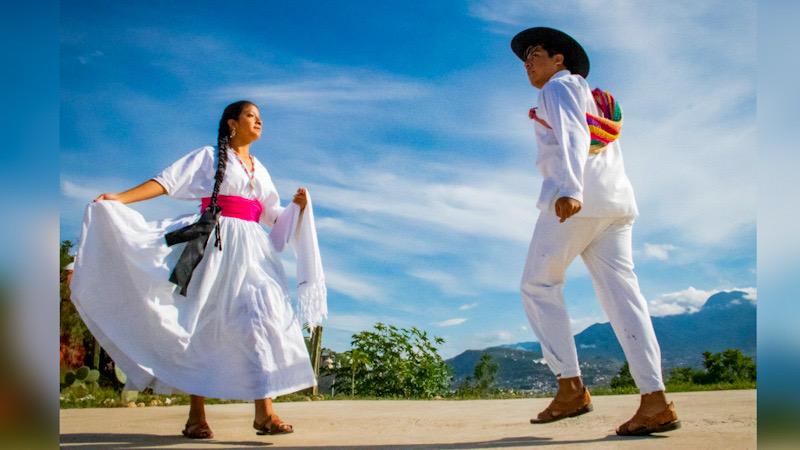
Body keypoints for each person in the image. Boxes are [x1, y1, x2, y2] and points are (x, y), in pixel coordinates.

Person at [70, 100, 326, 439]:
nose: (259, 121)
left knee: (260, 317)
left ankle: (265, 414)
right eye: (252, 115)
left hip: (253, 252)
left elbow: (272, 218)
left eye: (261, 117)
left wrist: (298, 209)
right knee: (199, 322)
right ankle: (196, 417)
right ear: (232, 123)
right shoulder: (208, 157)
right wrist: (120, 198)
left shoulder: (259, 168)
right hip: (214, 244)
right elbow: (166, 181)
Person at [510, 27, 680, 436]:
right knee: (623, 297)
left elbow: (572, 133)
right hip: (616, 203)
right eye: (525, 57)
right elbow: (587, 134)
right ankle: (655, 400)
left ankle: (570, 386)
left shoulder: (559, 87)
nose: (528, 61)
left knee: (537, 285)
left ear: (559, 60)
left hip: (577, 202)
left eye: (536, 53)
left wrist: (570, 188)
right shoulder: (593, 97)